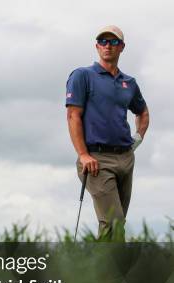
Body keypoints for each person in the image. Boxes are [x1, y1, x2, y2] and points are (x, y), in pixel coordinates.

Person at [66, 25, 150, 240]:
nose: (107, 46)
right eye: (103, 41)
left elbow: (142, 112)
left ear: (121, 47)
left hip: (125, 157)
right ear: (97, 46)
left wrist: (138, 139)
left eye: (113, 42)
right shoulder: (82, 75)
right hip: (96, 159)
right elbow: (73, 115)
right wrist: (83, 155)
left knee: (112, 225)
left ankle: (100, 271)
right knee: (114, 221)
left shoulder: (129, 83)